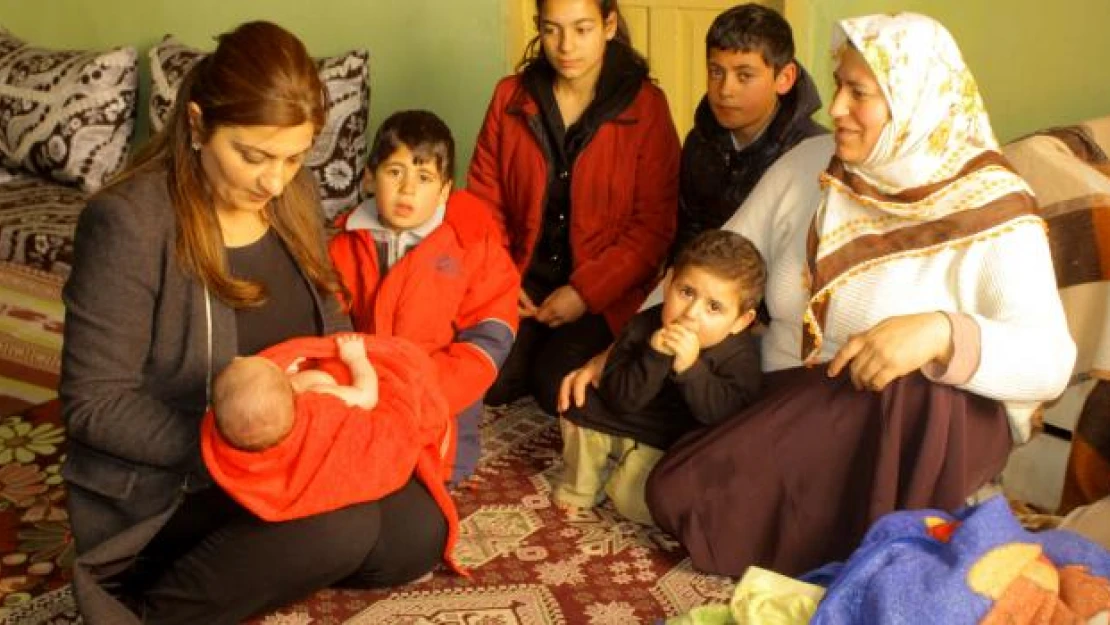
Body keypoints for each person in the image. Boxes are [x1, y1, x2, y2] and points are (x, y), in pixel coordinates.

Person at [561, 12, 1077, 577]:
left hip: (905, 422)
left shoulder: (994, 207)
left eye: (859, 93)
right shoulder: (810, 163)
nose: (835, 109)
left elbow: (1050, 363)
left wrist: (939, 331)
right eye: (838, 87)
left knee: (919, 392)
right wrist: (621, 347)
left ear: (916, 102)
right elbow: (709, 263)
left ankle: (881, 549)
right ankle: (847, 528)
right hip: (796, 398)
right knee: (676, 490)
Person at [60, 22, 447, 625]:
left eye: (295, 157)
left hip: (290, 451)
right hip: (185, 481)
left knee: (417, 530)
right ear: (196, 125)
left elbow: (331, 319)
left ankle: (263, 558)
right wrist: (247, 444)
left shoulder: (292, 194)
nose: (274, 180)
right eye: (253, 155)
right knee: (341, 525)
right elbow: (94, 404)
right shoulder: (128, 224)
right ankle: (145, 606)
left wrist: (341, 419)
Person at [467, 0, 681, 416]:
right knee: (489, 381)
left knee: (557, 390)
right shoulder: (509, 97)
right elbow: (482, 205)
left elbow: (653, 229)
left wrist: (585, 293)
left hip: (603, 292)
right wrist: (503, 282)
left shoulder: (647, 105)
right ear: (538, 28)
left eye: (582, 29)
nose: (566, 46)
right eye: (552, 29)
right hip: (522, 285)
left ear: (609, 25)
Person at [329, 109, 519, 483]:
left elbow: (489, 334)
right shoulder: (344, 244)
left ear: (445, 190)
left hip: (438, 388)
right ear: (369, 178)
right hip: (368, 379)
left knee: (428, 476)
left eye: (425, 177)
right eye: (394, 172)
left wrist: (429, 389)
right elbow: (330, 319)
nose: (408, 189)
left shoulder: (470, 246)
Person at [556, 230, 764, 525]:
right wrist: (653, 356)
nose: (691, 313)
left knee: (632, 505)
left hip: (674, 439)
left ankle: (623, 473)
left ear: (741, 321)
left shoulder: (740, 356)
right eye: (687, 292)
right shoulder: (645, 324)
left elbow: (723, 417)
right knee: (579, 401)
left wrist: (691, 370)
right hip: (630, 414)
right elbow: (620, 397)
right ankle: (582, 486)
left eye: (714, 307)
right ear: (667, 284)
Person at [671, 3, 825, 262]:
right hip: (704, 283)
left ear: (784, 78)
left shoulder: (811, 154)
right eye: (716, 72)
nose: (725, 90)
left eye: (744, 76)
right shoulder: (700, 142)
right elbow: (688, 230)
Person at [212, 334, 379, 452]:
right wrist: (356, 358)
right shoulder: (317, 395)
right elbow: (366, 396)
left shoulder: (273, 402)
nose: (237, 358)